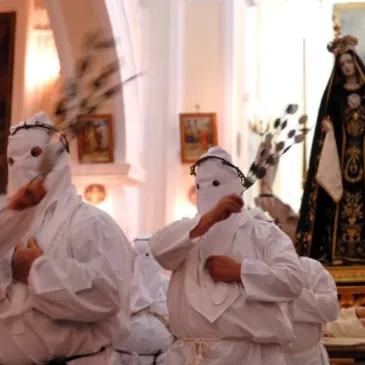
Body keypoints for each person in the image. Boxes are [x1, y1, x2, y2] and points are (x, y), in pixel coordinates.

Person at [0, 111, 135, 365]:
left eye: (34, 154)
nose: (21, 166)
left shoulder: (92, 224)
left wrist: (34, 271)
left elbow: (105, 297)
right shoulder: (6, 229)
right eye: (11, 160)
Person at [149, 146, 304, 365]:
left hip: (251, 357)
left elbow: (293, 280)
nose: (208, 193)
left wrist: (242, 271)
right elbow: (157, 248)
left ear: (235, 188)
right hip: (192, 355)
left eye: (216, 184)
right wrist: (209, 218)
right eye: (200, 186)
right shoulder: (188, 234)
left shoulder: (263, 233)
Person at [296, 34, 365, 265]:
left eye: (348, 62)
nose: (346, 67)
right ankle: (338, 252)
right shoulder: (335, 96)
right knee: (339, 203)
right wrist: (327, 127)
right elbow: (328, 119)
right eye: (341, 64)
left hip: (363, 158)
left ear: (355, 62)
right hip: (342, 161)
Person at [119, 235, 173, 365]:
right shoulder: (120, 284)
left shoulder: (167, 284)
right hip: (123, 358)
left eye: (147, 256)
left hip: (162, 358)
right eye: (138, 256)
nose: (142, 261)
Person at [283, 257, 339, 364]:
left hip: (309, 359)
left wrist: (288, 293)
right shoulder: (255, 271)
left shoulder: (312, 268)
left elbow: (331, 309)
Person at [0, 177, 47, 256]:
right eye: (28, 193)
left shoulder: (21, 226)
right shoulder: (4, 199)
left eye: (33, 201)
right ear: (25, 186)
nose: (26, 200)